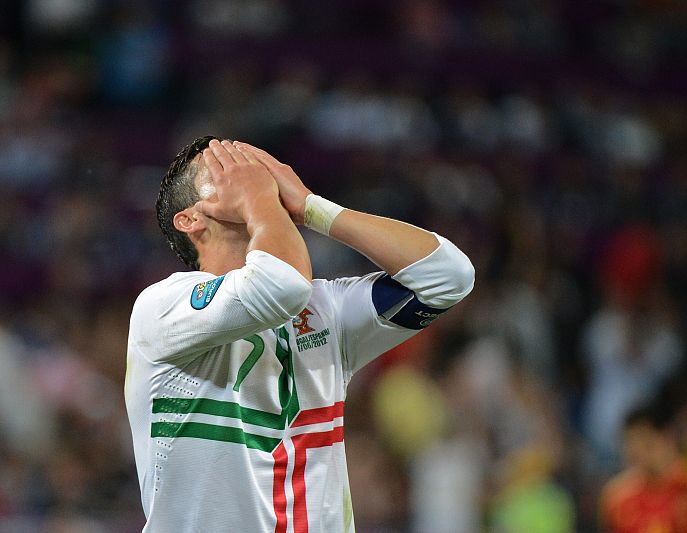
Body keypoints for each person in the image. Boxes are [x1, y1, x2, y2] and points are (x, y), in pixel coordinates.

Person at [124, 137, 474, 532]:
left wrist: (313, 207)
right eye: (225, 170)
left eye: (256, 167)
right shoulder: (163, 308)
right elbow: (281, 285)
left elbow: (449, 276)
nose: (252, 175)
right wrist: (259, 201)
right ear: (190, 219)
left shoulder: (326, 310)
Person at [600, 400, 687, 533]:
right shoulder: (617, 499)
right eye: (630, 443)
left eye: (644, 441)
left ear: (666, 437)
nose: (637, 451)